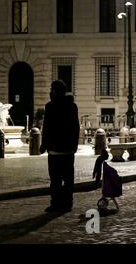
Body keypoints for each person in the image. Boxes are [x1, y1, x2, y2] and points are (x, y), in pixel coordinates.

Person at [40, 80, 80, 213]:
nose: (50, 91)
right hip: (68, 150)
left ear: (55, 91)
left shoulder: (50, 106)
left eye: (52, 89)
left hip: (54, 150)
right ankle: (68, 203)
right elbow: (76, 128)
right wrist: (74, 145)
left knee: (55, 179)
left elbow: (47, 128)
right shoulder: (72, 106)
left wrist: (43, 145)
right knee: (68, 178)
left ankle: (55, 203)